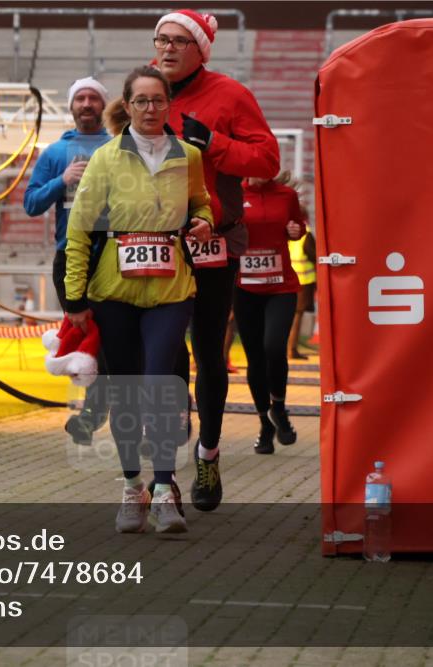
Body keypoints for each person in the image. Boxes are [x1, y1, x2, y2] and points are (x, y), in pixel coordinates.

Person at [64, 66, 213, 534]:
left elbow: (202, 201)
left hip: (171, 289)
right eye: (142, 101)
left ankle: (166, 489)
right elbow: (79, 229)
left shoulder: (188, 155)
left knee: (159, 385)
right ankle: (133, 486)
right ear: (126, 106)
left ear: (170, 105)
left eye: (159, 101)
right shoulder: (106, 159)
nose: (151, 109)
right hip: (115, 292)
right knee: (126, 390)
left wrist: (204, 220)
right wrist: (74, 298)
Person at [152, 9, 281, 511]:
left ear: (200, 50)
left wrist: (214, 145)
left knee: (208, 348)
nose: (167, 49)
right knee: (165, 349)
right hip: (158, 243)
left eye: (179, 41)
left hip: (216, 239)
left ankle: (209, 452)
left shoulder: (230, 94)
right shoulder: (145, 91)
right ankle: (176, 421)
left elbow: (267, 160)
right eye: (161, 39)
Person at [24, 77, 112, 445]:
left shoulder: (117, 146)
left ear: (103, 105)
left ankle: (94, 413)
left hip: (113, 254)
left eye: (94, 98)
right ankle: (97, 411)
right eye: (81, 98)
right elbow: (31, 204)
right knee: (86, 332)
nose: (87, 104)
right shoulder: (54, 154)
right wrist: (62, 180)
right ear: (72, 106)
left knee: (108, 336)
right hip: (69, 255)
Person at [235, 170, 306, 455]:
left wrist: (294, 231)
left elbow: (298, 227)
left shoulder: (286, 195)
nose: (262, 172)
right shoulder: (234, 193)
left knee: (274, 346)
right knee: (255, 358)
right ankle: (265, 424)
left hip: (281, 286)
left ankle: (279, 408)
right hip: (245, 288)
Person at [287, 225, 317, 359]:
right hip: (304, 279)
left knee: (292, 315)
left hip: (291, 276)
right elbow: (313, 255)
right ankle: (292, 349)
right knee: (297, 316)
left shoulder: (286, 229)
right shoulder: (306, 233)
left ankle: (290, 348)